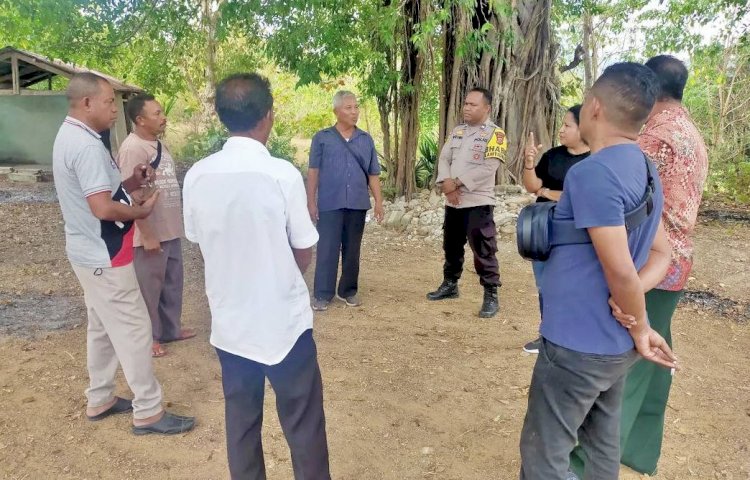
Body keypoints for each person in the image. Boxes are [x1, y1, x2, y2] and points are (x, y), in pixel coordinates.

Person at [518, 62, 677, 479]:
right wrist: (628, 309)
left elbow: (620, 270)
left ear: (594, 107)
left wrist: (640, 323)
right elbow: (663, 254)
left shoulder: (593, 174)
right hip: (613, 348)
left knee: (544, 456)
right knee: (601, 447)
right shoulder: (646, 171)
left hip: (576, 346)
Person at [183, 73, 331, 479]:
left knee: (242, 421)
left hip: (231, 325)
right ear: (268, 116)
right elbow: (303, 248)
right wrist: (280, 272)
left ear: (222, 117)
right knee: (303, 424)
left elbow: (199, 240)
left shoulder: (196, 176)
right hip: (284, 323)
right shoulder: (281, 175)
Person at [570, 55, 709, 477]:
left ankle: (585, 459)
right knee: (654, 358)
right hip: (678, 261)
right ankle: (640, 449)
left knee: (624, 359)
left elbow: (621, 200)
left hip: (645, 261)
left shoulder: (651, 139)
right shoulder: (691, 133)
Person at [52, 72, 195, 435]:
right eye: (108, 102)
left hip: (87, 251)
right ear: (87, 103)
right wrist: (141, 212)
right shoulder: (84, 145)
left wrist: (130, 183)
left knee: (101, 327)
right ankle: (147, 409)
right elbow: (102, 208)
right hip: (104, 254)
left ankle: (100, 397)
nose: (115, 109)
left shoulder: (73, 135)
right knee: (134, 328)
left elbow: (101, 193)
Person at [117, 93, 195, 358]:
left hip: (170, 228)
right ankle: (149, 337)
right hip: (150, 232)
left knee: (172, 283)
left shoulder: (158, 145)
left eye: (162, 112)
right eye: (157, 114)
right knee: (149, 288)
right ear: (140, 120)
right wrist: (147, 234)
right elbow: (132, 195)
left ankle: (171, 329)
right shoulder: (133, 148)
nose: (164, 118)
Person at [427, 87, 505, 318]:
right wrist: (446, 185)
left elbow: (489, 166)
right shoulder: (458, 131)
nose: (467, 108)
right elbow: (444, 158)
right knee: (451, 245)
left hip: (478, 201)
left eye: (473, 104)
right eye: (465, 104)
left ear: (487, 108)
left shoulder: (496, 135)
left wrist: (457, 183)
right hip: (453, 202)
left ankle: (491, 294)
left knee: (483, 249)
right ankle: (450, 284)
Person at [306, 90, 384, 311]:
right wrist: (311, 202)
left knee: (352, 250)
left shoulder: (365, 139)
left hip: (357, 203)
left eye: (356, 107)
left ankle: (348, 291)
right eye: (349, 108)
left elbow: (373, 173)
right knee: (327, 248)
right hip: (330, 202)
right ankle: (322, 294)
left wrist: (378, 201)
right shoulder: (322, 138)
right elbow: (313, 171)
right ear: (336, 111)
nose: (354, 112)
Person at [521, 105, 590, 353]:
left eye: (567, 125)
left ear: (584, 128)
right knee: (544, 282)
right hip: (544, 229)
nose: (561, 130)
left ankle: (574, 336)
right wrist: (529, 163)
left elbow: (582, 196)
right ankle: (547, 334)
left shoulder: (595, 160)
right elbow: (532, 186)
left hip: (576, 232)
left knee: (575, 283)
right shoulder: (552, 156)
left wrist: (548, 192)